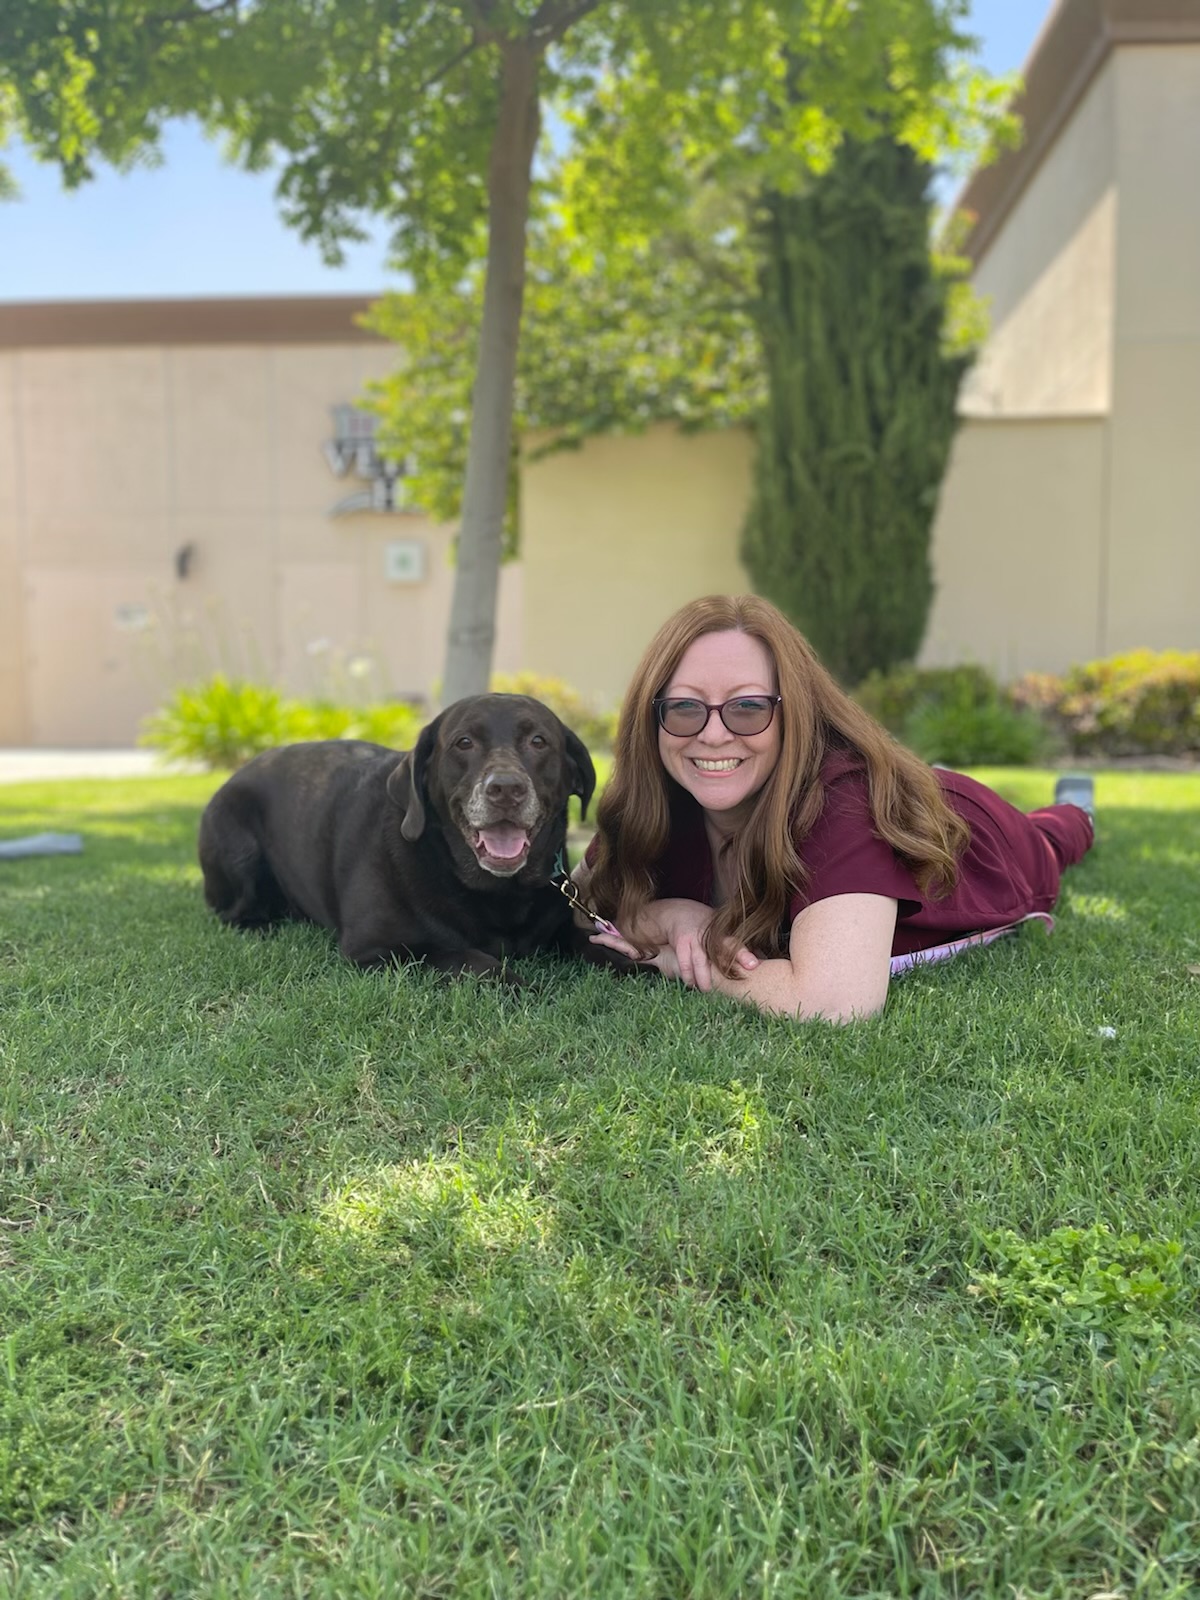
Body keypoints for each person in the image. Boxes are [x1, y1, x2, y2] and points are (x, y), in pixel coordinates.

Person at [575, 594, 1094, 1022]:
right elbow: (578, 905)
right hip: (904, 801)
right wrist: (673, 915)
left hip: (979, 836)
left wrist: (681, 961)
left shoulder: (842, 803)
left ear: (795, 713)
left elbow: (834, 1003)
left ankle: (1077, 808)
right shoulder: (662, 795)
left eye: (748, 707)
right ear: (653, 718)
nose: (712, 735)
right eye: (685, 707)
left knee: (1056, 835)